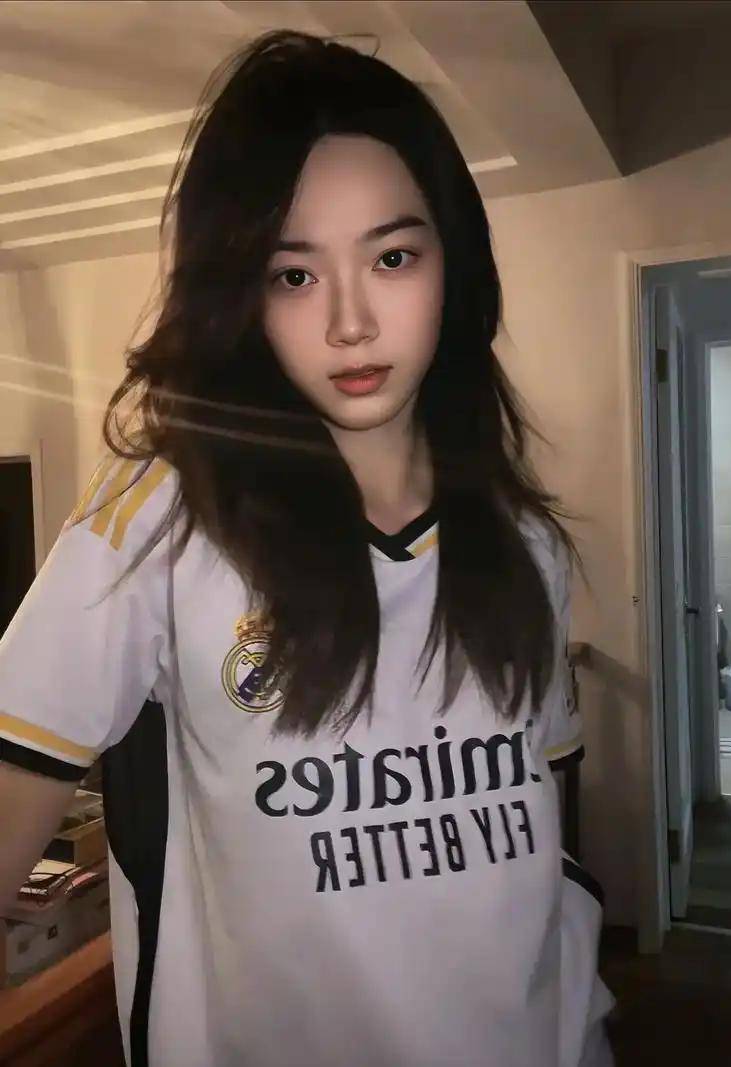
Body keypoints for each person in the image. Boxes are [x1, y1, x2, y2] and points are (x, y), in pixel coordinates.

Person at [0, 29, 615, 1067]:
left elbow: (540, 853)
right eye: (292, 274)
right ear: (239, 293)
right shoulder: (158, 521)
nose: (349, 321)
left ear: (453, 265)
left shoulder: (523, 543)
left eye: (392, 257)